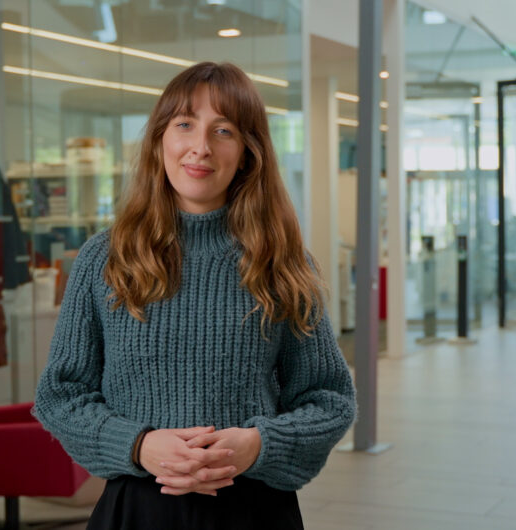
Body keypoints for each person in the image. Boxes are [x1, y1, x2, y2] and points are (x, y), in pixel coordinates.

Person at [33, 61, 356, 529]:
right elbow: (60, 396)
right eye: (185, 124)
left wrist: (257, 444)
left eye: (223, 130)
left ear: (247, 152)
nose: (200, 148)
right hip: (137, 510)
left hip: (253, 509)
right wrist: (139, 444)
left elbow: (330, 399)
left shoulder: (282, 262)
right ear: (161, 138)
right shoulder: (106, 258)